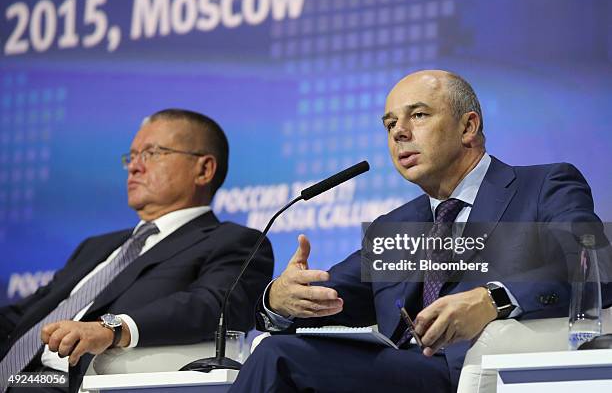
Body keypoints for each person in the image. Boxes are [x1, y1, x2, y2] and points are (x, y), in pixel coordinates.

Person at [229, 70, 611, 393]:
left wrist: (493, 299)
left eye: (419, 116)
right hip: (395, 372)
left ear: (468, 126)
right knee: (276, 345)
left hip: (470, 372)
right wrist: (279, 299)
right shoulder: (391, 227)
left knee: (276, 358)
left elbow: (594, 265)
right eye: (390, 124)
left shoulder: (543, 185)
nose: (399, 133)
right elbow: (328, 296)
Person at [0, 109, 274, 393]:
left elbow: (212, 305)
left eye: (152, 153)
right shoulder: (96, 246)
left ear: (203, 169)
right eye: (132, 156)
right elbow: (23, 314)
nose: (134, 167)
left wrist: (114, 328)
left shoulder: (235, 242)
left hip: (68, 382)